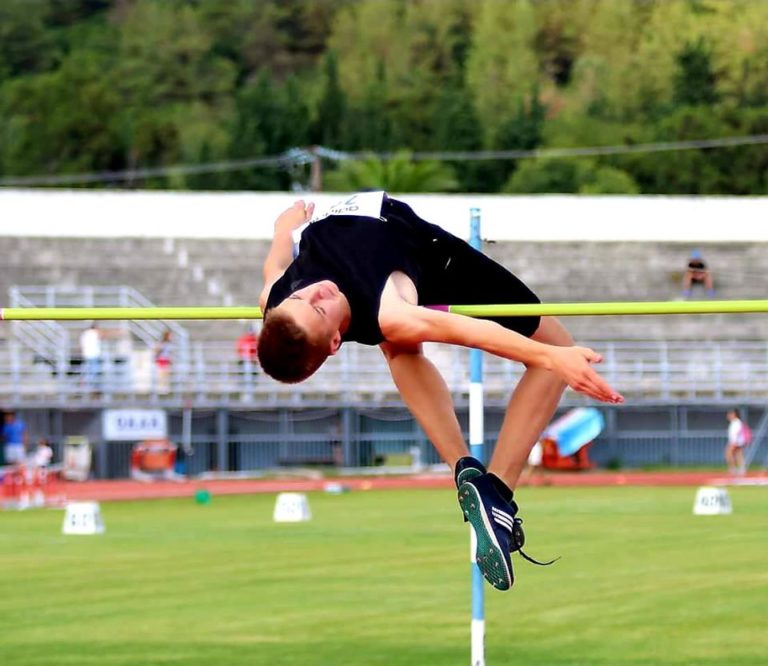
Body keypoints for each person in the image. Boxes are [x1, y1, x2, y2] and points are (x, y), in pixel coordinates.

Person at [257, 192, 624, 592]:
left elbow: (275, 262)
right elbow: (473, 332)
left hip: (372, 261)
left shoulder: (276, 303)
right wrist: (554, 357)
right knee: (551, 347)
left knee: (399, 349)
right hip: (428, 257)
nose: (316, 292)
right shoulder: (392, 313)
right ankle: (497, 492)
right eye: (320, 309)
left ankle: (465, 470)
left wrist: (282, 228)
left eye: (301, 296)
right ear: (333, 342)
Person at [79, 322, 102, 391]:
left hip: (87, 354)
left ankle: (86, 385)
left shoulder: (85, 334)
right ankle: (92, 387)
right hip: (93, 355)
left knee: (88, 371)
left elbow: (82, 345)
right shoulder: (94, 333)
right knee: (94, 371)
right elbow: (101, 336)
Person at [725, 408, 747, 476]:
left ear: (734, 414)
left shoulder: (737, 422)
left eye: (730, 414)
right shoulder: (734, 422)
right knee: (738, 455)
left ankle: (734, 469)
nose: (728, 416)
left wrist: (734, 442)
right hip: (735, 441)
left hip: (736, 441)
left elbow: (736, 433)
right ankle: (740, 469)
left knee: (729, 453)